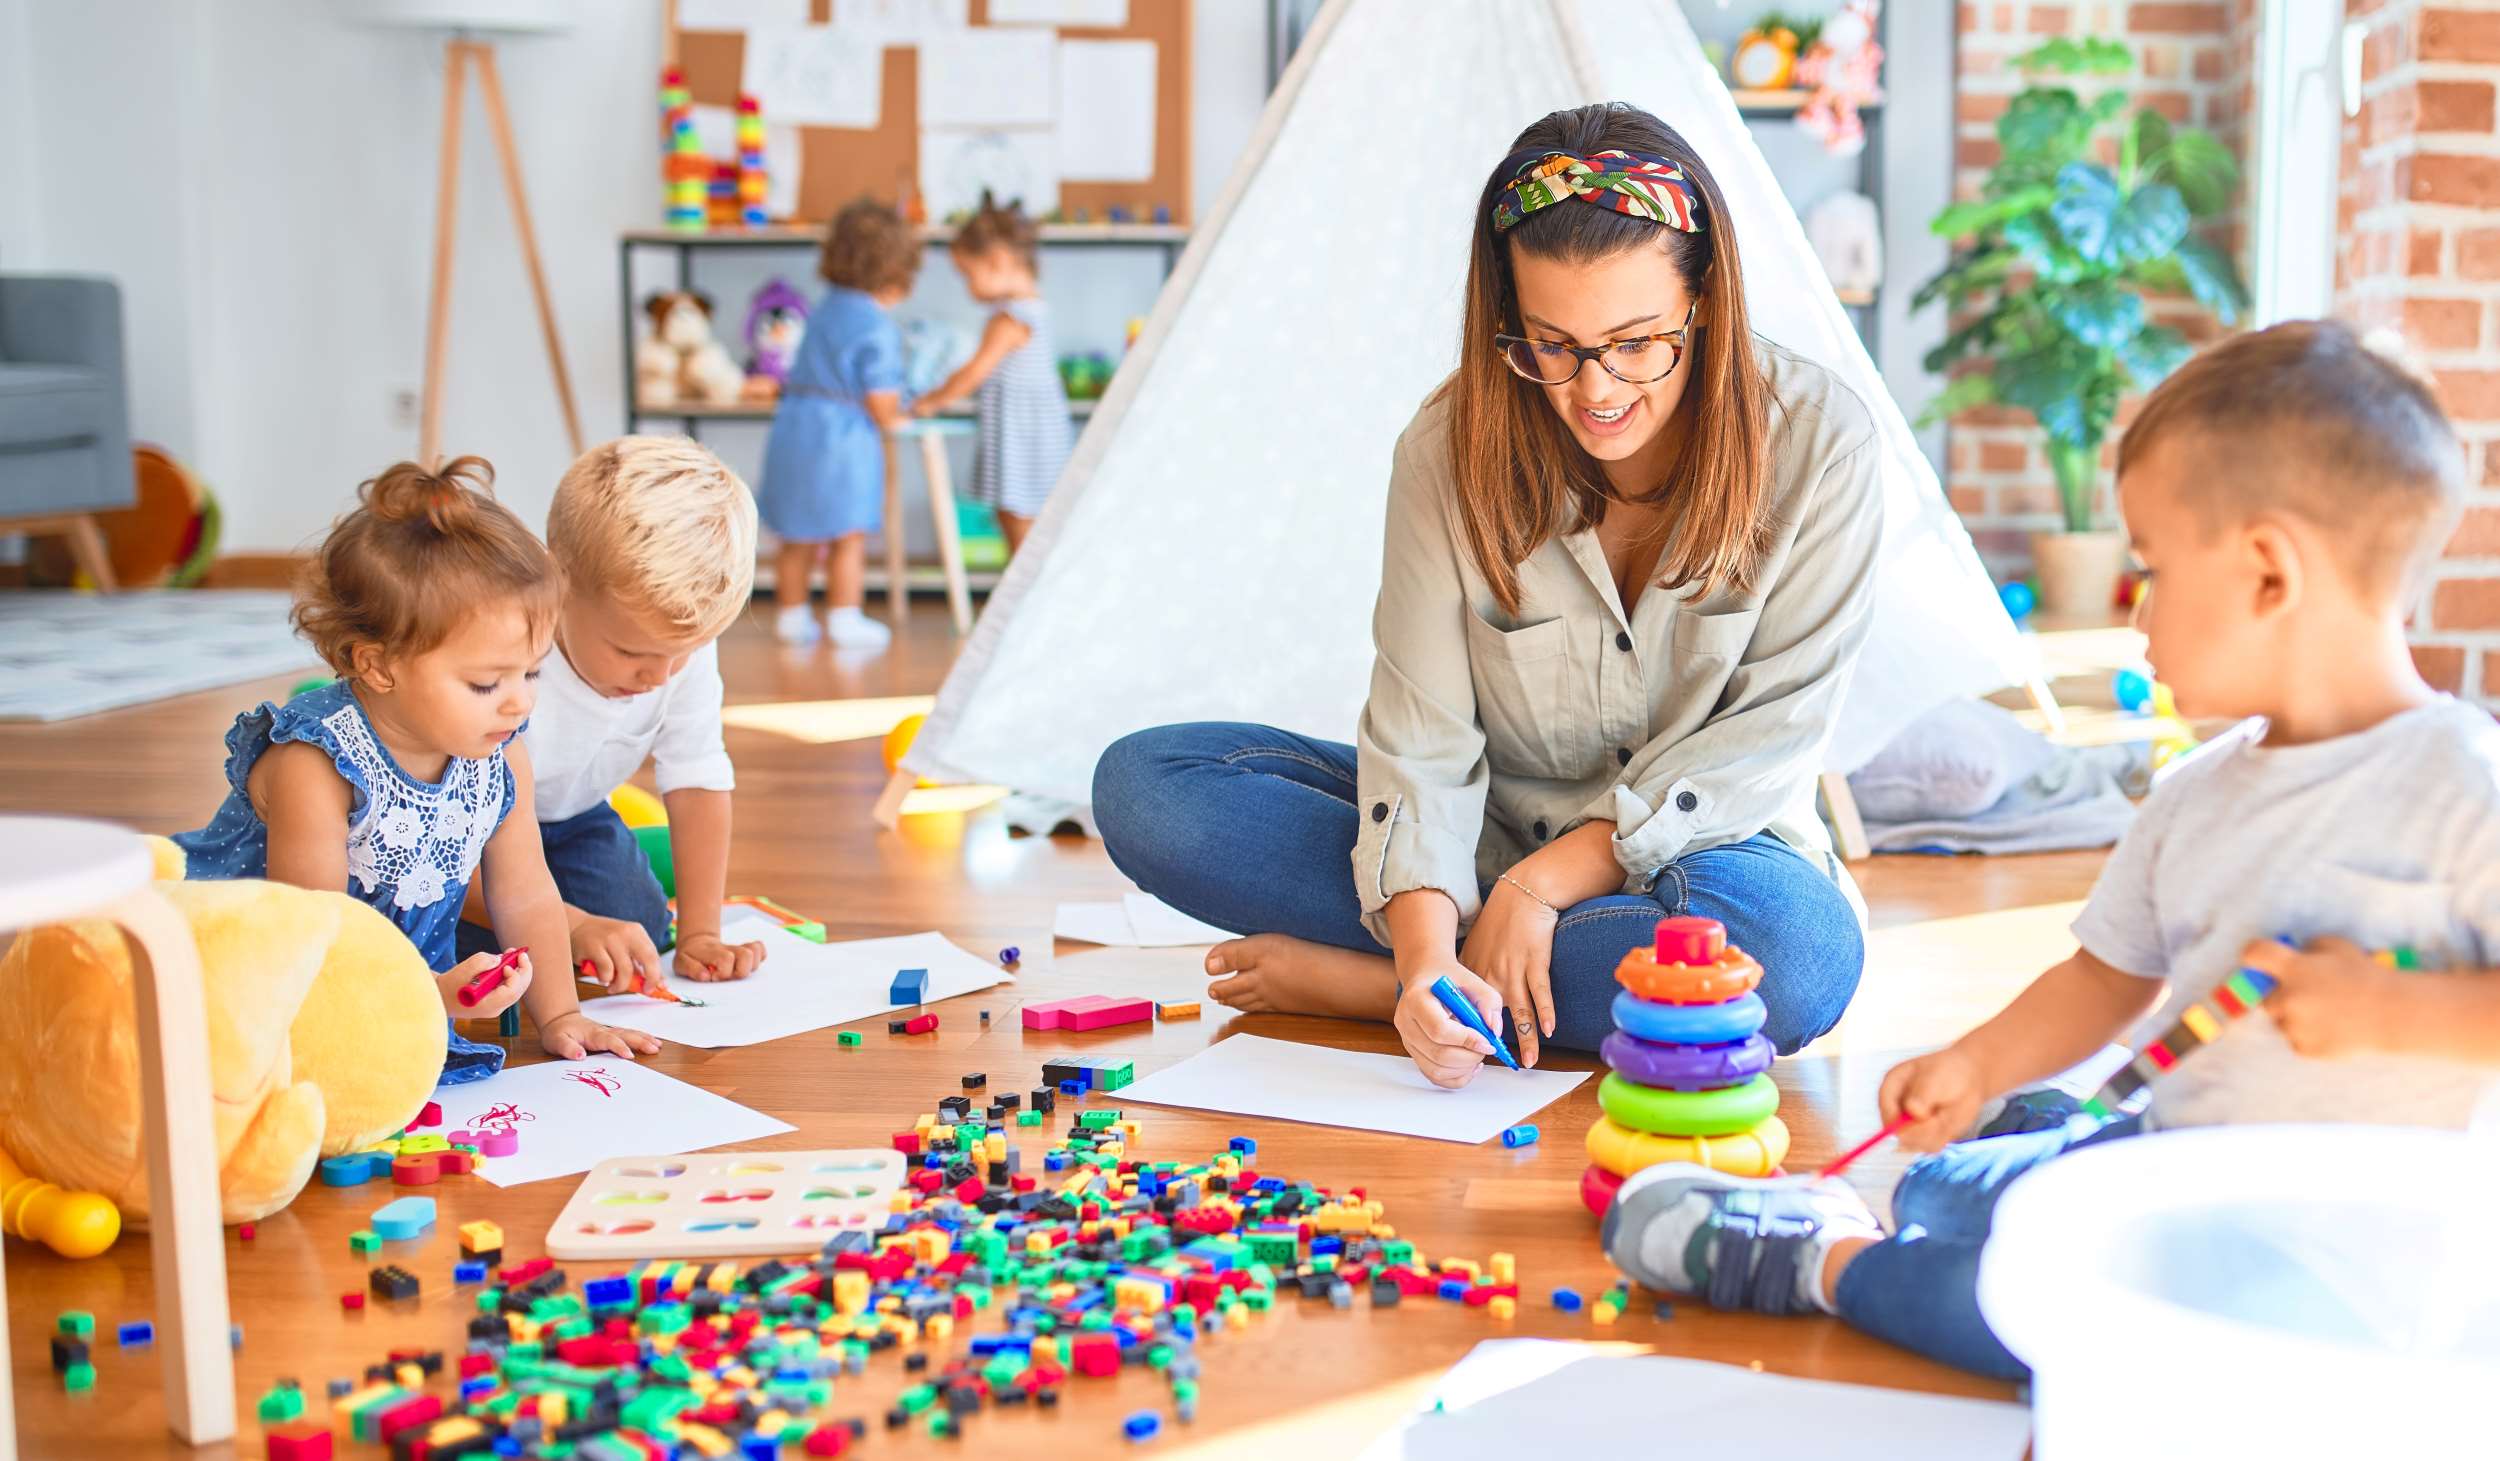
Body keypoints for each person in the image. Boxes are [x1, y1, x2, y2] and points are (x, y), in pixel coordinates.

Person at [1604, 320, 2500, 1378]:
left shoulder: (2463, 787)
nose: (2139, 620)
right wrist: (1973, 1064)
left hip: (2329, 1270)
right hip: (2166, 1163)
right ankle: (2026, 1144)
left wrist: (2404, 1012)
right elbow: (2106, 976)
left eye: (2151, 573)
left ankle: (1821, 1262)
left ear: (2266, 573)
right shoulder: (2198, 794)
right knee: (1937, 1185)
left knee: (2033, 1316)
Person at [1091, 102, 1882, 1083]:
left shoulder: (1822, 445)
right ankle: (1462, 989)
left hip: (1704, 857)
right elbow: (1420, 732)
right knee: (1149, 789)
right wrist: (1426, 953)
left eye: (1636, 343)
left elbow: (1765, 739)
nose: (1593, 392)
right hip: (1484, 836)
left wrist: (1543, 891)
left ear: (1708, 302)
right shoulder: (1448, 448)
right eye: (1549, 344)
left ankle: (1371, 988)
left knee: (1794, 960)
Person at [176, 458, 660, 1082]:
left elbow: (526, 889)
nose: (520, 701)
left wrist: (561, 1016)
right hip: (264, 972)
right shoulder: (315, 765)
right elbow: (315, 934)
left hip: (398, 985)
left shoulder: (501, 747)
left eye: (532, 672)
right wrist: (428, 992)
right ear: (377, 666)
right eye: (487, 682)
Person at [453, 436, 769, 989]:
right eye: (630, 654)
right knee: (468, 943)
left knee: (642, 929)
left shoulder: (672, 644)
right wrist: (566, 924)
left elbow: (697, 776)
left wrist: (700, 934)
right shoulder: (503, 652)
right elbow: (431, 844)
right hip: (459, 833)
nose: (661, 675)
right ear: (557, 584)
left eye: (682, 653)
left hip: (570, 817)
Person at [760, 199, 918, 650]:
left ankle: (791, 617)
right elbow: (882, 404)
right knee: (846, 533)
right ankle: (844, 617)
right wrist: (903, 411)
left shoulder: (823, 309)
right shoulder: (875, 324)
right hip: (841, 437)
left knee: (796, 533)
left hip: (795, 426)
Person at [913, 192, 1075, 555]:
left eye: (969, 276)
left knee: (1019, 519)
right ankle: (1021, 593)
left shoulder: (1010, 319)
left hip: (1024, 437)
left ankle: (1023, 598)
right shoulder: (1030, 310)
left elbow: (974, 372)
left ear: (999, 261)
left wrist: (933, 401)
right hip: (1025, 431)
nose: (968, 289)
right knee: (1017, 518)